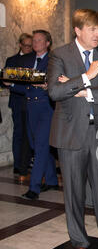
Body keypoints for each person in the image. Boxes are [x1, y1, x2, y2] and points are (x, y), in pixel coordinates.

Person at [47, 9, 98, 249]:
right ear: (77, 30)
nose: (97, 34)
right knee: (74, 192)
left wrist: (86, 92)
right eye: (92, 29)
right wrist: (86, 77)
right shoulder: (60, 54)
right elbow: (55, 91)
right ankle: (79, 243)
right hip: (70, 134)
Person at [10, 30, 58, 200]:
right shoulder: (29, 61)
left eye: (39, 40)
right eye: (34, 40)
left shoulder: (53, 60)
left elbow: (56, 83)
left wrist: (48, 86)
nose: (35, 42)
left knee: (40, 147)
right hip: (30, 107)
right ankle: (52, 180)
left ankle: (34, 188)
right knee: (35, 144)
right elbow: (27, 87)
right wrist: (12, 85)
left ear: (47, 43)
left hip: (46, 108)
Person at [4, 33, 33, 180]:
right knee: (19, 133)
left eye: (31, 45)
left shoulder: (35, 58)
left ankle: (27, 162)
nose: (29, 48)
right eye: (26, 45)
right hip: (17, 101)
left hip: (32, 102)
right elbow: (6, 81)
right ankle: (18, 164)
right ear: (20, 45)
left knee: (31, 134)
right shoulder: (12, 60)